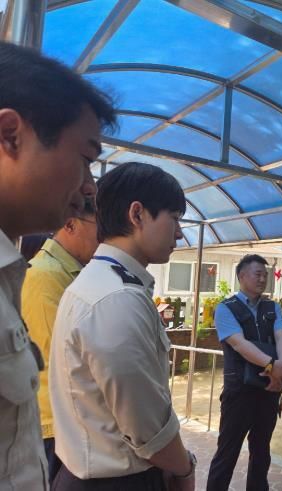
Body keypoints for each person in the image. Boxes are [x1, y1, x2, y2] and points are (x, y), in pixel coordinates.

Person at [0, 41, 114, 490]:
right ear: (10, 135)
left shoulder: (12, 273)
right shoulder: (43, 276)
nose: (89, 188)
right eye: (86, 159)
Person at [49, 162, 196, 491]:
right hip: (118, 482)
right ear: (137, 214)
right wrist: (185, 470)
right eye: (174, 218)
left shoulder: (98, 282)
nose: (179, 232)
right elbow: (147, 428)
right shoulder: (117, 298)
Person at [21, 197, 99, 484]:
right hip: (53, 424)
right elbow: (59, 358)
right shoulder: (46, 276)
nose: (105, 238)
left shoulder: (70, 273)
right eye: (100, 227)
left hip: (65, 421)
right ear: (70, 224)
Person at [207, 254, 282, 491]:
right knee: (227, 452)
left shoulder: (272, 307)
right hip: (239, 392)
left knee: (261, 451)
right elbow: (239, 344)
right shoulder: (226, 309)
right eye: (258, 274)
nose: (263, 279)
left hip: (269, 390)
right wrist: (272, 366)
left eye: (265, 275)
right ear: (242, 276)